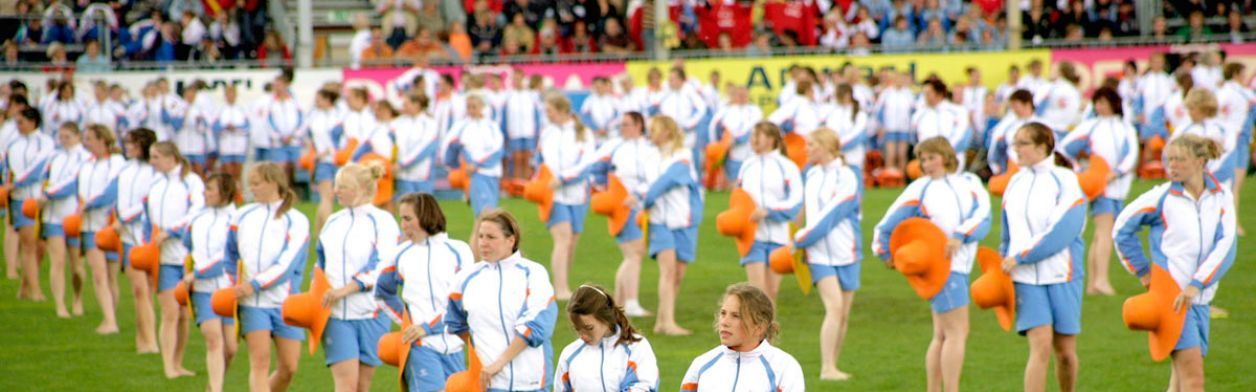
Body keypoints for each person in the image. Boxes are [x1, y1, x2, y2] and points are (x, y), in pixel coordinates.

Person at [1114, 134, 1237, 392]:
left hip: (1201, 298)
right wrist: (1145, 274)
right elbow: (1121, 230)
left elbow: (1226, 245)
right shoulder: (1161, 197)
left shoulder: (1222, 195)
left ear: (1201, 162)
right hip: (1173, 300)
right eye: (1169, 159)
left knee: (1180, 379)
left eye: (1180, 159)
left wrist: (1197, 285)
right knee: (1194, 379)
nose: (1172, 165)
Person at [873, 137, 992, 390]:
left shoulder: (969, 183)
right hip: (942, 268)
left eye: (931, 157)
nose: (926, 164)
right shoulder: (919, 189)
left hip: (961, 266)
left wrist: (961, 235)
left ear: (946, 156)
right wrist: (885, 254)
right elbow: (885, 226)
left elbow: (984, 216)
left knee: (942, 334)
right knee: (957, 332)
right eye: (922, 159)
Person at [1000, 122, 1086, 392]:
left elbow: (1064, 230)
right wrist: (1005, 260)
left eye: (1022, 143)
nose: (1016, 150)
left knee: (1065, 351)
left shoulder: (1066, 179)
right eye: (1015, 143)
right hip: (1024, 277)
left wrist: (1023, 255)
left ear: (1041, 147)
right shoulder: (1015, 181)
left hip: (1063, 274)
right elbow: (1007, 231)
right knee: (1040, 344)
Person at [446, 209, 558, 391]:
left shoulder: (534, 274)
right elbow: (455, 323)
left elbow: (537, 327)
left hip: (532, 382)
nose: (483, 243)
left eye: (491, 237)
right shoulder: (465, 279)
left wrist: (499, 363)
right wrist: (482, 355)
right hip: (490, 384)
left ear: (510, 240)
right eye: (480, 236)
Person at [783, 127, 861, 380]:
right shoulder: (812, 173)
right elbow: (806, 208)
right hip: (817, 253)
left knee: (844, 313)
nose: (805, 149)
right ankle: (826, 368)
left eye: (811, 145)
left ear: (827, 147)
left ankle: (834, 365)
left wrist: (800, 238)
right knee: (835, 307)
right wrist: (795, 231)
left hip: (846, 251)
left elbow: (833, 215)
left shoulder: (847, 176)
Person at [225, 162, 310, 392]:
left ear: (273, 183)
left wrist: (254, 284)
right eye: (250, 183)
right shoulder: (241, 216)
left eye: (256, 183)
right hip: (251, 304)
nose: (251, 188)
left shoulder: (297, 220)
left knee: (289, 368)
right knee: (260, 362)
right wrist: (234, 286)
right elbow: (229, 256)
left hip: (286, 303)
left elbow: (287, 265)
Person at [375, 192, 473, 391]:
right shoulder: (400, 254)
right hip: (420, 347)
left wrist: (430, 326)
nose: (403, 225)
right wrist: (408, 324)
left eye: (408, 218)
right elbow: (383, 292)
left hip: (455, 346)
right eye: (401, 219)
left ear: (425, 216)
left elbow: (465, 301)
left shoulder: (458, 251)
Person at [316, 162, 399, 391]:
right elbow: (319, 264)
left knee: (363, 385)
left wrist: (345, 289)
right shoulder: (333, 221)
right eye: (336, 186)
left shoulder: (383, 221)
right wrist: (315, 297)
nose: (336, 191)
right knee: (346, 386)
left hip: (371, 313)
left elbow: (382, 266)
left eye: (343, 187)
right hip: (335, 315)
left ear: (362, 188)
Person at [1059, 87, 1140, 296]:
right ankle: (1101, 280)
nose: (1099, 106)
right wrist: (1083, 171)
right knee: (1104, 232)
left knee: (1100, 234)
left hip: (1118, 187)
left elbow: (1132, 154)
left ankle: (1094, 283)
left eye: (1103, 102)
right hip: (1100, 187)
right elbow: (1065, 148)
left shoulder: (1126, 128)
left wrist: (1118, 172)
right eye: (1097, 102)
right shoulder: (1091, 126)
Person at [631, 115, 703, 336]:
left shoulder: (684, 155)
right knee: (668, 270)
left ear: (667, 132)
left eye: (654, 129)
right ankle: (668, 322)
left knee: (678, 273)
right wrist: (641, 198)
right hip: (658, 220)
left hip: (684, 220)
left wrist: (646, 199)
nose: (650, 133)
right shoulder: (650, 157)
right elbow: (646, 185)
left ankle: (662, 320)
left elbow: (666, 182)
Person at [589, 111, 659, 317]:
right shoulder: (614, 146)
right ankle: (630, 302)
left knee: (633, 254)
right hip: (622, 206)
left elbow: (654, 175)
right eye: (622, 125)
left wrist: (639, 194)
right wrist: (607, 192)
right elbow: (595, 168)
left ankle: (617, 303)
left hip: (642, 205)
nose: (623, 128)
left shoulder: (649, 148)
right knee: (634, 253)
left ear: (639, 125)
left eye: (627, 124)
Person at [145, 141, 205, 378]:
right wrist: (148, 241)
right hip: (163, 258)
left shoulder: (191, 181)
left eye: (156, 157)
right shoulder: (155, 183)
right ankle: (168, 366)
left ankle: (178, 363)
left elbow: (197, 212)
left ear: (171, 158)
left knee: (182, 314)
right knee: (169, 312)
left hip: (187, 256)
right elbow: (147, 217)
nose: (152, 162)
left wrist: (171, 231)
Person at [680, 283, 804, 391]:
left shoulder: (784, 368)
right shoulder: (702, 365)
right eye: (723, 313)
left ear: (759, 327)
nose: (724, 322)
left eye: (736, 316)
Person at [182, 173, 239, 392]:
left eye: (210, 189)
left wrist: (197, 272)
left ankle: (212, 386)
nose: (204, 193)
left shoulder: (235, 219)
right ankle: (217, 389)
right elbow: (187, 247)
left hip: (227, 290)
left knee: (231, 348)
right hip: (203, 291)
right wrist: (189, 273)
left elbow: (226, 256)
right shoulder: (197, 218)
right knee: (214, 340)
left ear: (224, 192)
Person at [734, 122, 802, 300]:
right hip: (752, 236)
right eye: (753, 135)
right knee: (756, 293)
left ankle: (768, 329)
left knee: (771, 293)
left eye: (758, 135)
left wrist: (769, 211)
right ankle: (755, 328)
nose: (753, 139)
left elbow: (796, 201)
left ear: (771, 139)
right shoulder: (747, 165)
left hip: (778, 237)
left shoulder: (787, 166)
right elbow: (738, 198)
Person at [540, 93, 597, 301]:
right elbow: (541, 159)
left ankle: (564, 283)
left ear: (563, 111)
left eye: (550, 111)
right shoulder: (547, 133)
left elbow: (586, 164)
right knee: (562, 238)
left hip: (578, 193)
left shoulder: (584, 133)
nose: (548, 115)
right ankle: (560, 288)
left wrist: (563, 178)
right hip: (554, 194)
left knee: (572, 241)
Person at [555, 284, 659, 391]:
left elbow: (643, 387)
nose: (583, 335)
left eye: (589, 328)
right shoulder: (569, 355)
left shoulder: (636, 347)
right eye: (577, 329)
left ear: (605, 319)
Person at [40, 122, 92, 317]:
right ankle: (60, 305)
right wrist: (43, 194)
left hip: (73, 216)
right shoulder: (55, 156)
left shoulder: (85, 158)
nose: (63, 141)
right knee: (57, 261)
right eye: (61, 137)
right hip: (52, 216)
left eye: (67, 137)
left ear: (77, 137)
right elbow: (43, 177)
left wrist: (49, 194)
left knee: (77, 265)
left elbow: (73, 183)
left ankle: (77, 297)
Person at [78, 124, 126, 334]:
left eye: (89, 138)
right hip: (90, 227)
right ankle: (109, 319)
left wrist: (88, 205)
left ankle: (110, 319)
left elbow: (112, 191)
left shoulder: (116, 162)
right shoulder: (86, 164)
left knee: (111, 275)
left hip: (110, 226)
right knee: (99, 274)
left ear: (101, 140)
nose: (85, 142)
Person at [116, 128, 160, 350]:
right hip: (126, 236)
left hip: (145, 236)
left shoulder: (154, 172)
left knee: (147, 289)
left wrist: (123, 218)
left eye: (132, 143)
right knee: (138, 289)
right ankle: (143, 339)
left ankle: (150, 339)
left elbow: (146, 202)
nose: (128, 146)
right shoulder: (124, 169)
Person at [5, 108, 54, 301]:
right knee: (28, 245)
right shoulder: (13, 144)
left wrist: (15, 183)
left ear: (33, 122)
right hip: (20, 199)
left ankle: (25, 286)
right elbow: (5, 168)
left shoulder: (46, 142)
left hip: (40, 199)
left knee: (41, 246)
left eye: (21, 122)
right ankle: (36, 291)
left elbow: (39, 168)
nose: (18, 127)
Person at [444, 94, 504, 217]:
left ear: (482, 107)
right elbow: (449, 145)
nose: (471, 110)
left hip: (493, 173)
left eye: (474, 107)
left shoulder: (492, 126)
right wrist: (454, 165)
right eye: (469, 107)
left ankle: (476, 237)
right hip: (476, 175)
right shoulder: (461, 126)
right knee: (485, 215)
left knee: (488, 217)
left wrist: (479, 163)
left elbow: (498, 149)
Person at [707, 86, 763, 187]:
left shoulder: (754, 110)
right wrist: (718, 144)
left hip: (751, 153)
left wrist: (736, 139)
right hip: (732, 155)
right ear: (735, 96)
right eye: (739, 95)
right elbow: (713, 126)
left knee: (751, 185)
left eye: (744, 95)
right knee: (733, 185)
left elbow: (751, 127)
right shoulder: (726, 111)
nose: (742, 98)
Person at [305, 89, 344, 235]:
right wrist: (317, 153)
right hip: (323, 160)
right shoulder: (316, 118)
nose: (317, 102)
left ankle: (318, 230)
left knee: (327, 197)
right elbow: (313, 139)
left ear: (328, 100)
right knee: (326, 197)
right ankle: (326, 229)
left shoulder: (337, 116)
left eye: (320, 99)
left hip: (335, 160)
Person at [393, 93, 440, 196]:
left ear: (417, 105)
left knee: (423, 210)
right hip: (402, 176)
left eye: (406, 104)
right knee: (405, 209)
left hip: (422, 175)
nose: (403, 107)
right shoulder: (398, 122)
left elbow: (424, 148)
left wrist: (402, 163)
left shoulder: (430, 124)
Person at [823, 84, 870, 182]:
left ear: (848, 95)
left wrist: (838, 146)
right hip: (835, 156)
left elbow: (857, 135)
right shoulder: (834, 112)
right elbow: (829, 131)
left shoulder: (859, 114)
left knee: (854, 185)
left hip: (854, 156)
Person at [987, 89, 1038, 175]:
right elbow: (996, 144)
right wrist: (995, 165)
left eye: (1016, 106)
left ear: (1027, 104)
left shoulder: (1041, 125)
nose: (1014, 110)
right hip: (1010, 169)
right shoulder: (1008, 125)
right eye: (1012, 106)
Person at [212, 84, 250, 186]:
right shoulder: (220, 110)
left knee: (238, 172)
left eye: (232, 94)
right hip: (225, 144)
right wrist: (225, 127)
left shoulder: (242, 109)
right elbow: (214, 126)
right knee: (228, 172)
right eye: (228, 94)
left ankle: (239, 196)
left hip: (240, 145)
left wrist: (236, 128)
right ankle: (229, 195)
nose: (230, 96)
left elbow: (248, 127)